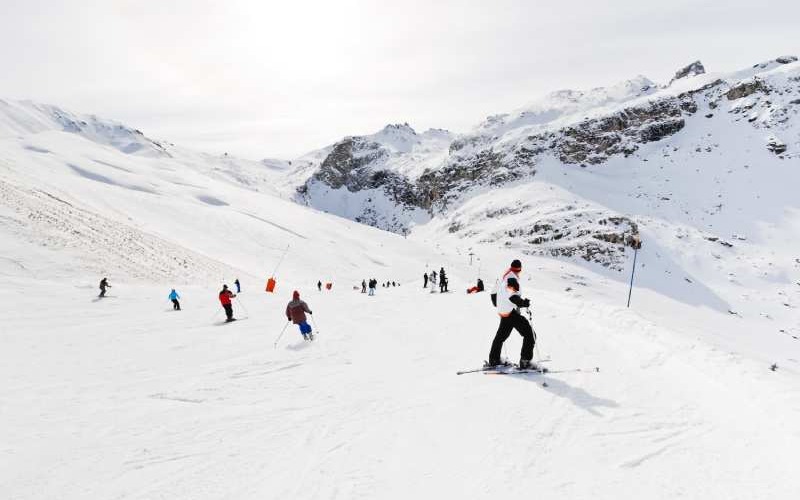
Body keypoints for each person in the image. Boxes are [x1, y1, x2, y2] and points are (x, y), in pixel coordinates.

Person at [488, 259, 535, 368]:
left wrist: (499, 305)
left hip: (504, 312)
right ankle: (525, 362)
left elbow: (493, 293)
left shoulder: (504, 276)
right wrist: (522, 303)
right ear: (520, 269)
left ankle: (494, 359)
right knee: (530, 334)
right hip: (510, 312)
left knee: (501, 337)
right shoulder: (511, 279)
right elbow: (512, 295)